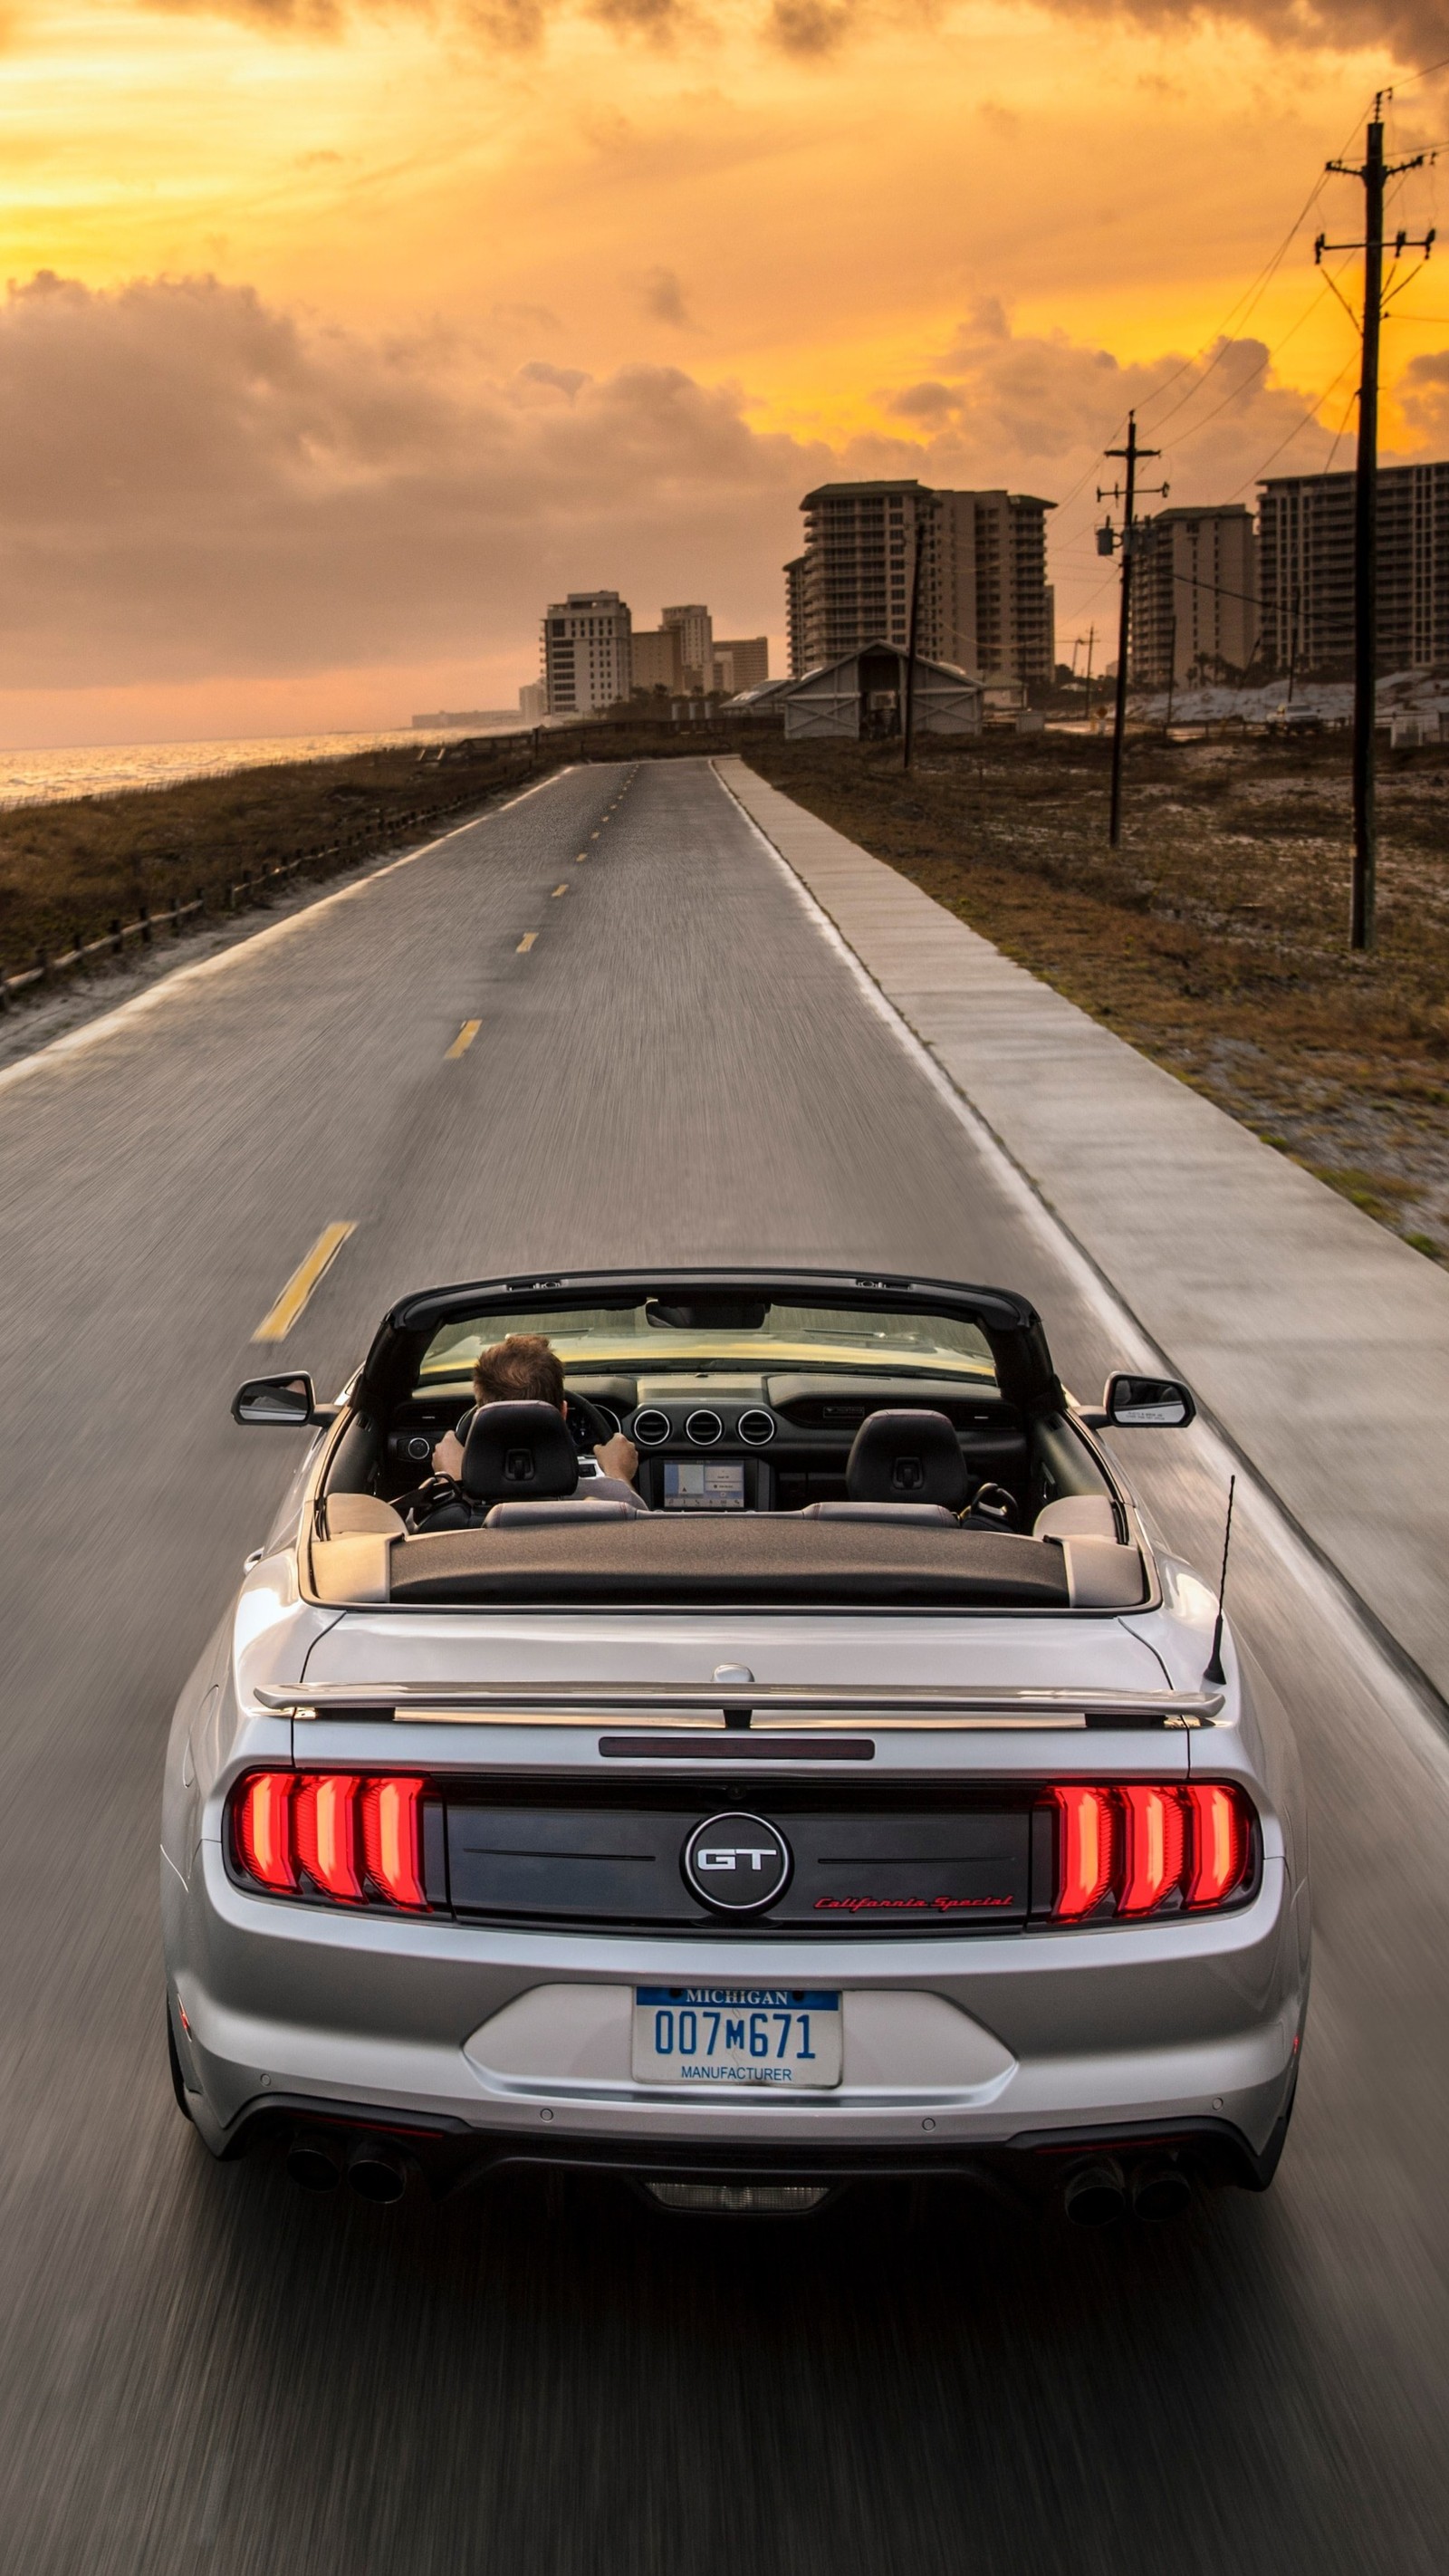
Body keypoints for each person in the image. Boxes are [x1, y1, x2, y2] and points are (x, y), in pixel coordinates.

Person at [432, 1331, 644, 1504]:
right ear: (563, 1412)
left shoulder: (446, 1511)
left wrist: (450, 1478)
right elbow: (645, 1541)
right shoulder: (611, 1504)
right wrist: (619, 1473)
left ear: (479, 1418)